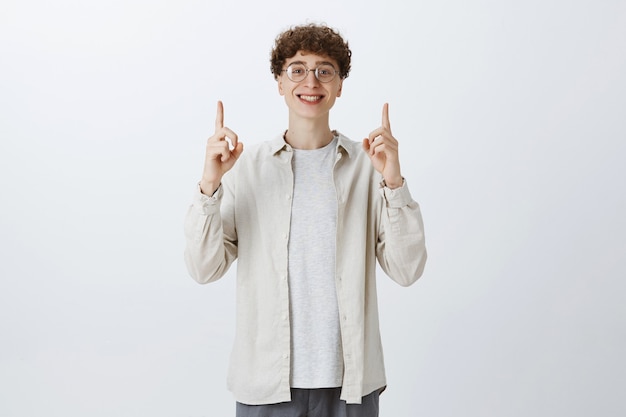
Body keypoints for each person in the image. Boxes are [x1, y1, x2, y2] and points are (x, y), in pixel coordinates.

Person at [184, 23, 427, 417]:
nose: (310, 81)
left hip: (350, 384)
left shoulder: (368, 168)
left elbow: (407, 269)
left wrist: (394, 181)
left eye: (324, 70)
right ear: (279, 82)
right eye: (297, 69)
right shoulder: (247, 169)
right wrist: (210, 183)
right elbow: (203, 268)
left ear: (340, 84)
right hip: (266, 384)